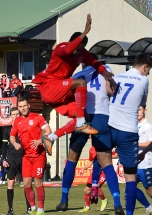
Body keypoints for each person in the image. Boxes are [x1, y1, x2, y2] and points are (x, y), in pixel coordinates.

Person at [32, 14, 114, 156]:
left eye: (80, 50)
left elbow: (94, 63)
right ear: (72, 42)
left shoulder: (82, 53)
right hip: (49, 87)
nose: (77, 52)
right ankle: (81, 124)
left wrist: (105, 72)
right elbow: (69, 50)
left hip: (60, 92)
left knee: (83, 115)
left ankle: (51, 137)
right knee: (81, 83)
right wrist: (85, 32)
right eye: (77, 48)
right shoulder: (61, 47)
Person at [54, 53, 117, 213]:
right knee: (106, 162)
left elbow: (69, 97)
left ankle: (64, 199)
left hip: (83, 117)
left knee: (72, 159)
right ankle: (116, 202)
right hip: (102, 117)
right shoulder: (106, 69)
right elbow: (111, 91)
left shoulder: (78, 75)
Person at [104, 53, 152, 215]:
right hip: (128, 131)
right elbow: (141, 104)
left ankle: (99, 188)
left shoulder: (117, 76)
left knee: (104, 162)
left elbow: (109, 95)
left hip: (110, 126)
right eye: (148, 71)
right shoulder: (143, 81)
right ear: (144, 67)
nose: (147, 74)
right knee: (130, 178)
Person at [10, 97, 52, 215]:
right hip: (26, 156)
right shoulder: (17, 122)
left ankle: (41, 209)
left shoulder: (38, 117)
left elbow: (49, 131)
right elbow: (12, 137)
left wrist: (41, 140)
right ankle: (33, 208)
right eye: (20, 107)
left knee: (38, 182)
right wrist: (15, 144)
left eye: (24, 106)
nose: (22, 108)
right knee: (26, 184)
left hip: (39, 155)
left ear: (28, 105)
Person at [3, 107, 31, 215]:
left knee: (27, 183)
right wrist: (3, 159)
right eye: (13, 114)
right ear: (10, 116)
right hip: (11, 158)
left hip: (23, 157)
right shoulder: (6, 130)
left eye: (17, 114)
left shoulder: (25, 127)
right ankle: (10, 209)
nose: (15, 116)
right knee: (10, 183)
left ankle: (29, 208)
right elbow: (4, 146)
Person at [77, 146, 108, 213]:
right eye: (91, 137)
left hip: (104, 171)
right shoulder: (91, 149)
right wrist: (83, 168)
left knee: (96, 186)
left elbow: (113, 156)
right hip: (95, 172)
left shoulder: (104, 146)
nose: (91, 138)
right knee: (86, 190)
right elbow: (90, 162)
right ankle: (87, 207)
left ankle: (104, 200)